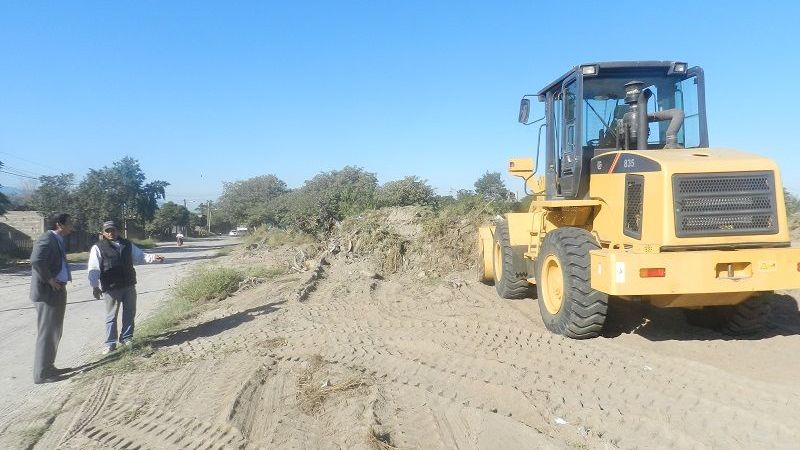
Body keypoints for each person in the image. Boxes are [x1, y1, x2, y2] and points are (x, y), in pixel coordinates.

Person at [87, 220, 164, 354]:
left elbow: (140, 256)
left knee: (129, 313)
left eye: (113, 230)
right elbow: (93, 268)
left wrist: (153, 257)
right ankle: (110, 343)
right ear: (103, 233)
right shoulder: (98, 248)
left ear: (118, 231)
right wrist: (94, 286)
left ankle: (127, 338)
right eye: (108, 231)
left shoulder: (127, 244)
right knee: (111, 316)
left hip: (128, 284)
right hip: (111, 287)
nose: (111, 233)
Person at [30, 212, 73, 384]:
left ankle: (49, 367)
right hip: (48, 292)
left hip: (57, 290)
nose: (72, 226)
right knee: (47, 333)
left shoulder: (57, 239)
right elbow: (36, 260)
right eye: (69, 223)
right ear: (59, 224)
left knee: (54, 331)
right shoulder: (47, 238)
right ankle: (41, 374)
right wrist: (50, 279)